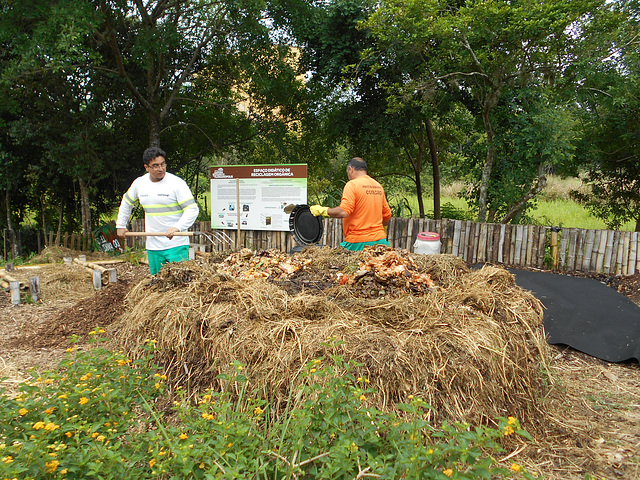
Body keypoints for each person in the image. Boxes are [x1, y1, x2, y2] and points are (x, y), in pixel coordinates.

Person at [116, 147, 199, 275]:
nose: (160, 169)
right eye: (155, 166)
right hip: (153, 245)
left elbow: (192, 209)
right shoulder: (139, 184)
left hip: (176, 244)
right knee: (157, 282)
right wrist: (121, 225)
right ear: (146, 167)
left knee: (180, 281)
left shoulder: (176, 183)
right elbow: (126, 203)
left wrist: (177, 227)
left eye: (163, 164)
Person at [310, 157, 392, 251]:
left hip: (358, 243)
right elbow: (387, 215)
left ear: (350, 169)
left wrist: (323, 210)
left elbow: (343, 212)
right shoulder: (378, 186)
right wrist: (381, 232)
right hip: (380, 242)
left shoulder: (352, 185)